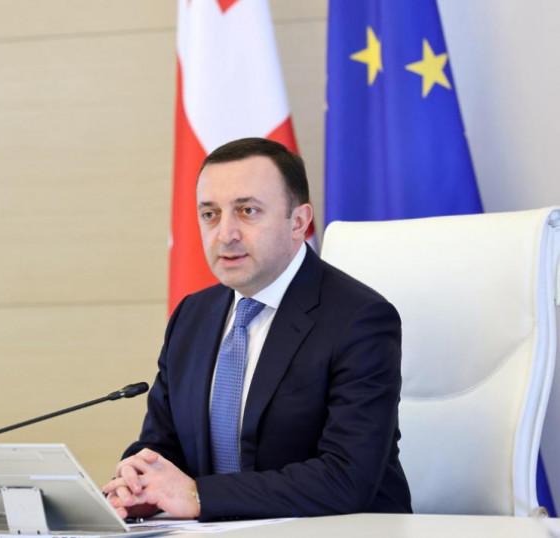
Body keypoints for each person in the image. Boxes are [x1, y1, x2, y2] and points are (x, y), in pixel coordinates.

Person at [102, 137, 411, 521]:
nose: (225, 233)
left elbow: (346, 478)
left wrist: (199, 496)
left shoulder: (359, 319)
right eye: (210, 214)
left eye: (247, 211)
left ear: (298, 222)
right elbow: (165, 444)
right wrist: (141, 482)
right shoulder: (192, 316)